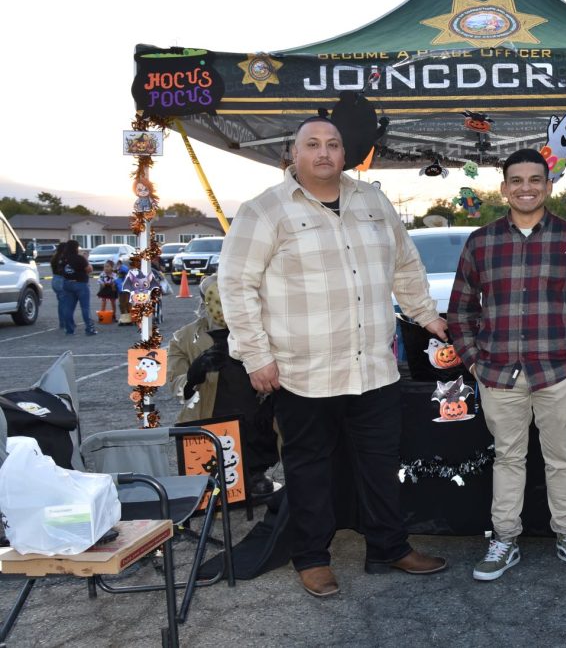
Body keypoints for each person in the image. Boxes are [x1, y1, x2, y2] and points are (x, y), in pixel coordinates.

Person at [218, 94, 449, 598]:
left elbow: (405, 265)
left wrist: (427, 316)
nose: (324, 152)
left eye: (333, 144)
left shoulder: (374, 203)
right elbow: (236, 286)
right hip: (303, 371)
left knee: (380, 465)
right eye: (313, 144)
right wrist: (256, 355)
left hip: (374, 368)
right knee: (309, 470)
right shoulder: (264, 210)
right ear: (293, 153)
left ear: (346, 153)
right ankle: (312, 558)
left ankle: (389, 546)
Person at [447, 148, 566, 582]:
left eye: (535, 179)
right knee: (508, 458)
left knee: (562, 458)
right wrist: (473, 363)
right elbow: (460, 311)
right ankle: (504, 539)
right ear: (504, 188)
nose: (526, 188)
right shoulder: (481, 242)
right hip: (497, 372)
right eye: (517, 180)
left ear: (548, 186)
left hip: (559, 371)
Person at [167, 275, 280, 497]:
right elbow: (175, 383)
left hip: (255, 418)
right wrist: (194, 374)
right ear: (204, 302)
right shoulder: (184, 338)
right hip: (211, 418)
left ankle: (255, 471)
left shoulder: (259, 331)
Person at [59, 240, 96, 336]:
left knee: (68, 308)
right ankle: (89, 329)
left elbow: (60, 270)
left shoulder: (63, 258)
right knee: (85, 307)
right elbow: (89, 269)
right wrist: (86, 259)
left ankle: (69, 330)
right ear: (75, 248)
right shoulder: (79, 258)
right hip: (80, 283)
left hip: (67, 283)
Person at [50, 242, 71, 332]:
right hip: (61, 280)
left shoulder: (54, 258)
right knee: (65, 303)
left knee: (61, 302)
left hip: (55, 280)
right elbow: (64, 271)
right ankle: (65, 323)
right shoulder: (63, 258)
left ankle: (62, 322)